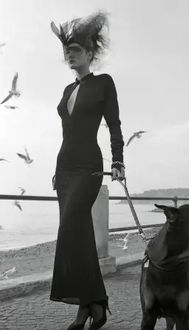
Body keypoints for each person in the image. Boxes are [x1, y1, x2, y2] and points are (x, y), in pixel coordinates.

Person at [50, 11, 125, 330]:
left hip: (88, 168)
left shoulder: (104, 83)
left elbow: (114, 124)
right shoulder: (67, 90)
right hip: (65, 169)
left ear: (90, 54)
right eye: (67, 52)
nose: (70, 55)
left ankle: (93, 303)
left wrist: (118, 160)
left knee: (70, 232)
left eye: (76, 50)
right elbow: (66, 136)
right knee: (76, 237)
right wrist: (56, 170)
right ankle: (92, 307)